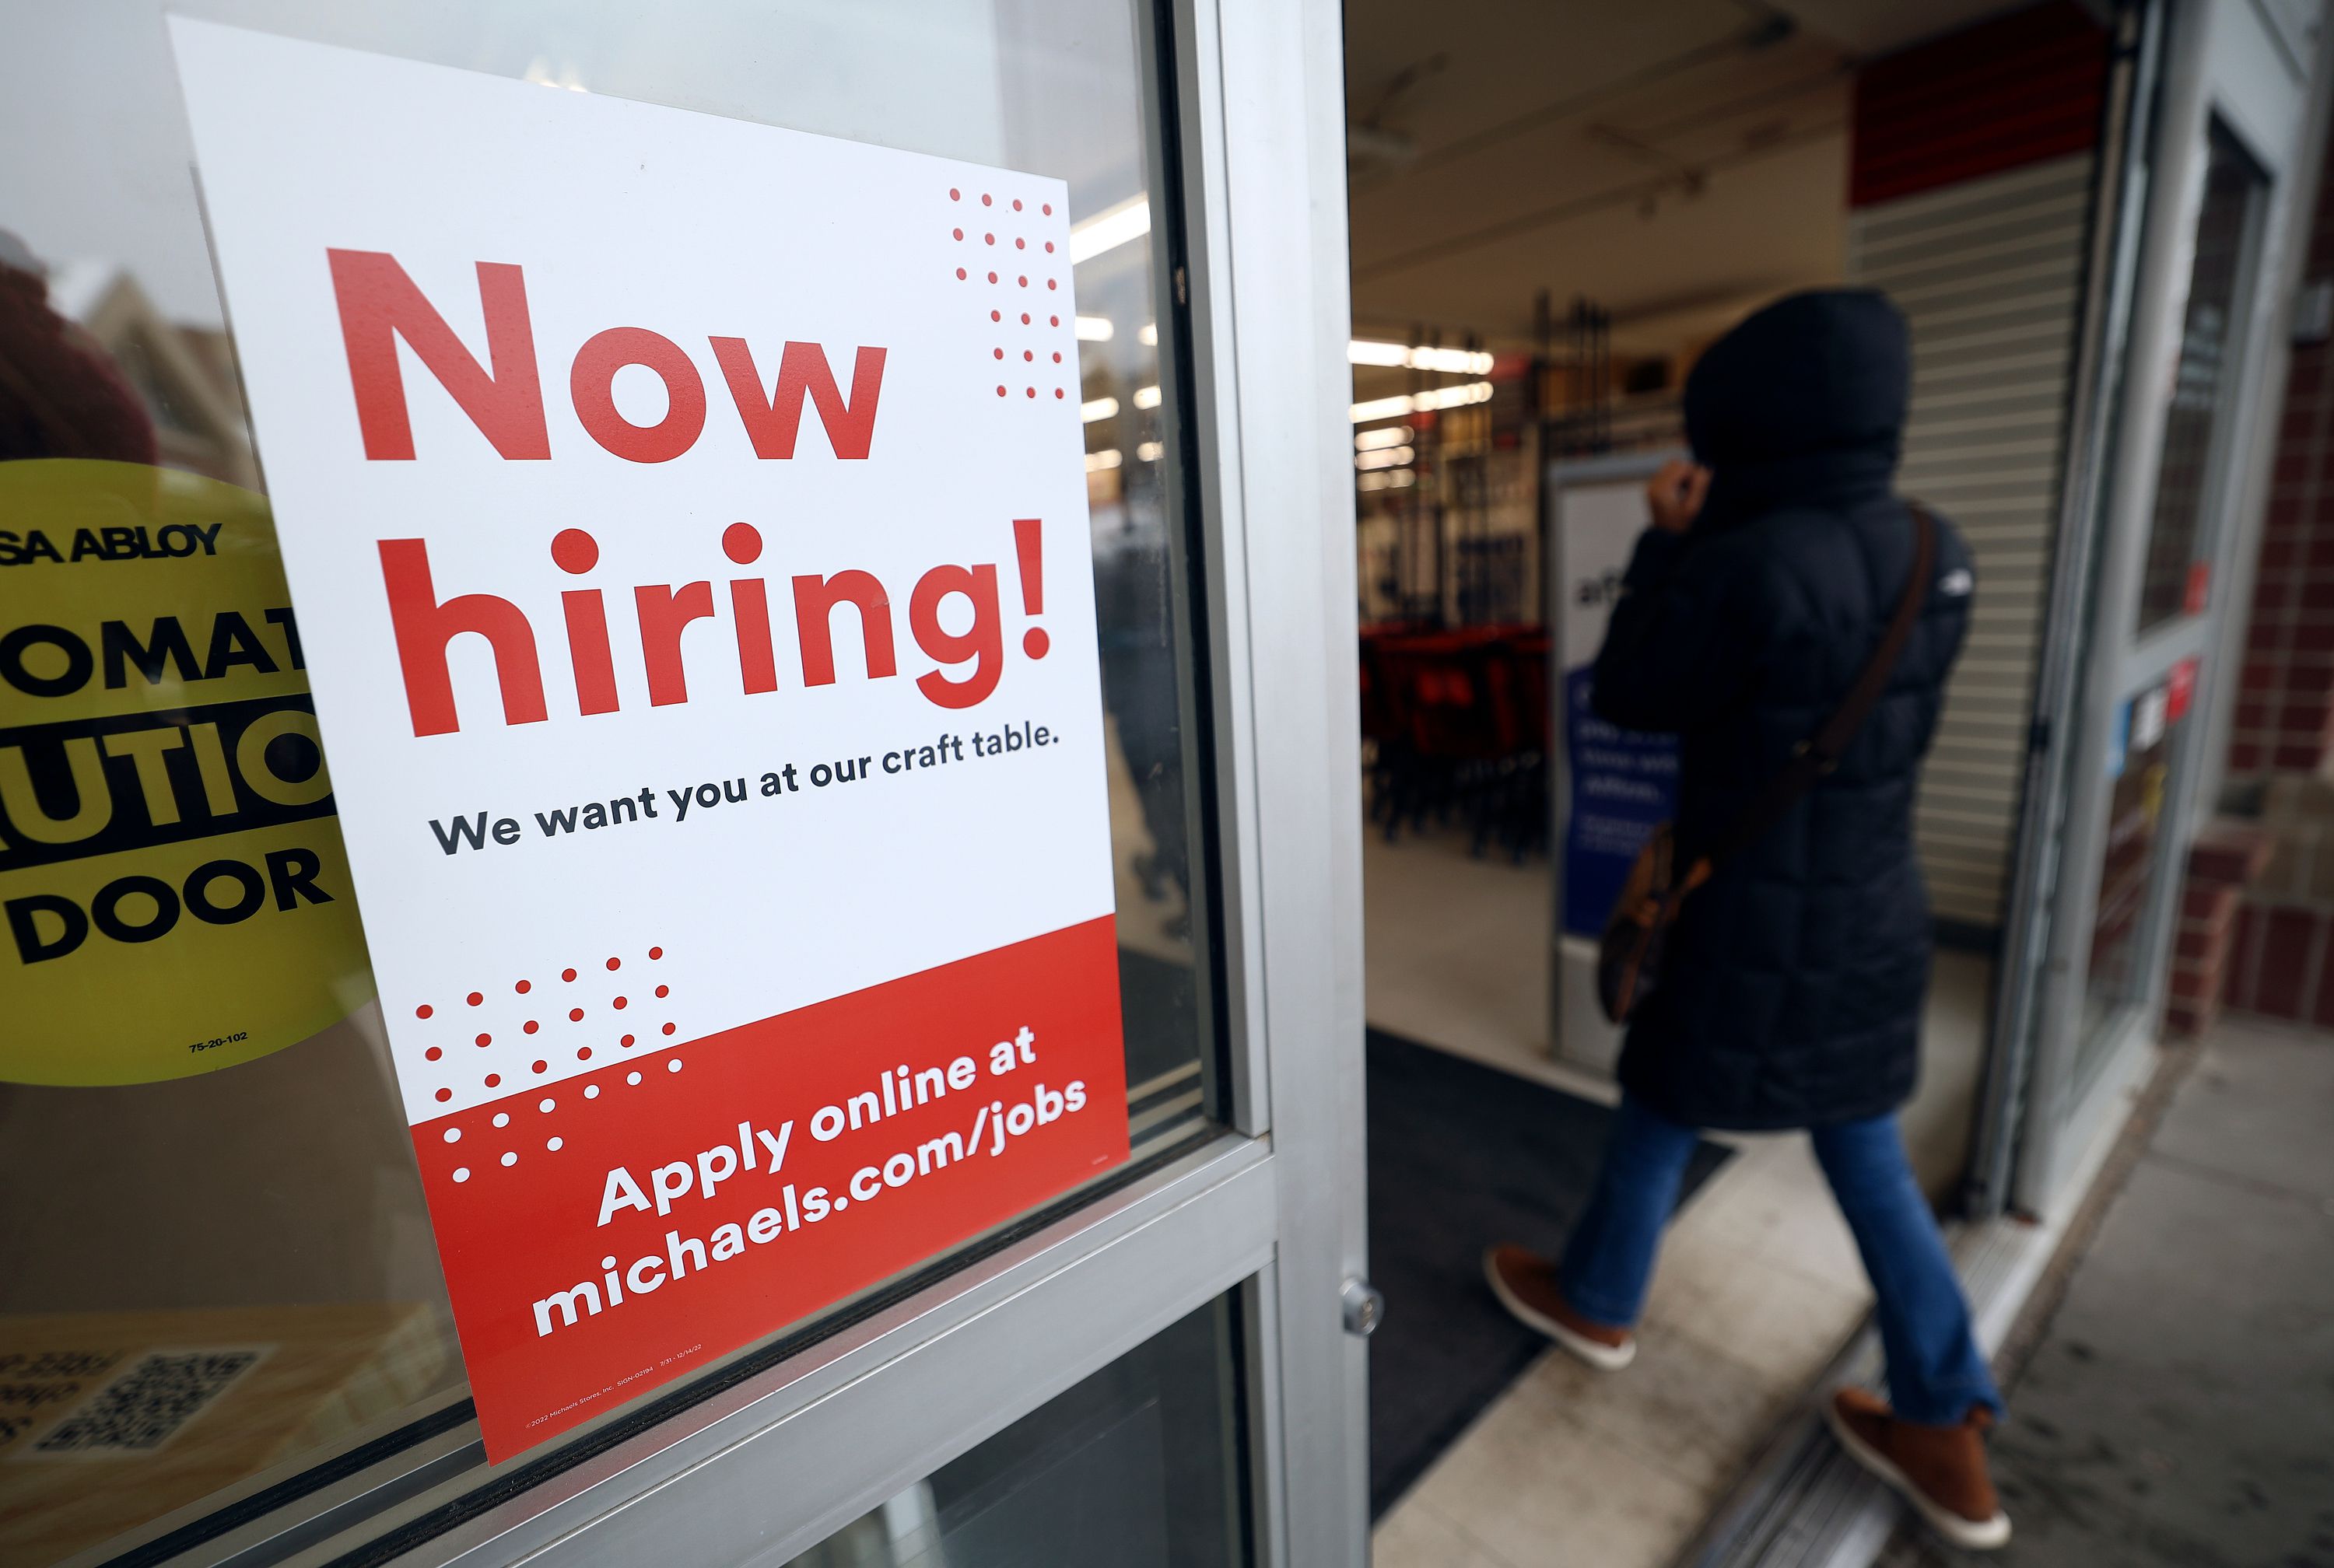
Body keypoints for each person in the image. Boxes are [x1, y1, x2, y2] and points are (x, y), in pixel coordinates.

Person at [1484, 289, 2008, 1551]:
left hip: (1736, 909)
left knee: (1663, 1100)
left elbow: (1630, 694)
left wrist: (1667, 544)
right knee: (1865, 1151)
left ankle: (1601, 1298)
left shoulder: (1746, 559)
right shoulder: (1942, 550)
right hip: (1875, 910)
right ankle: (1944, 1426)